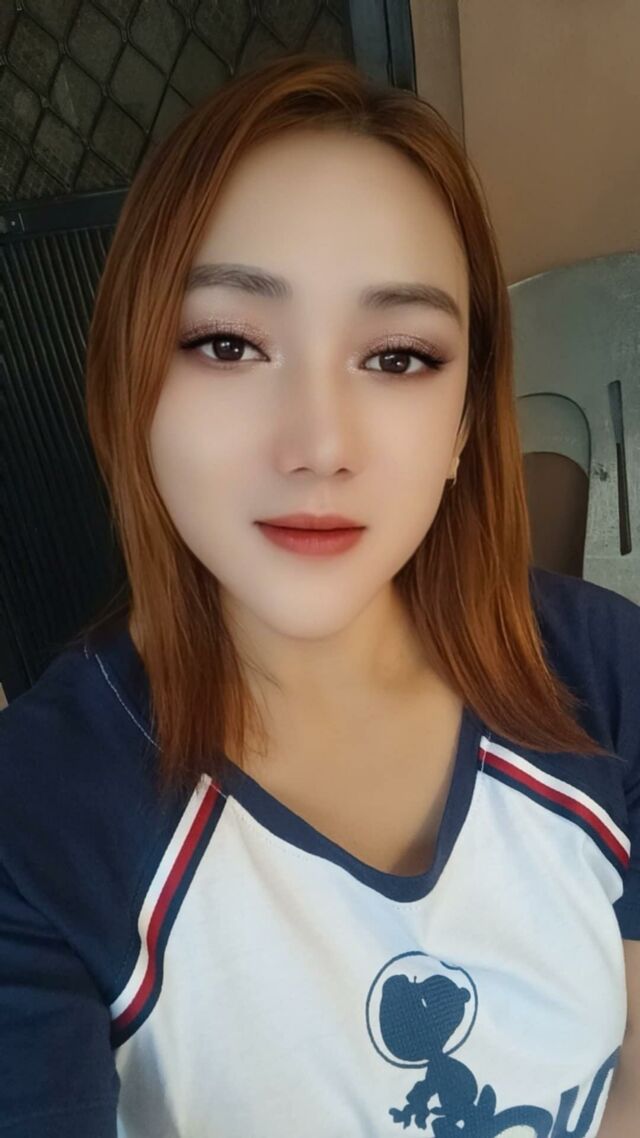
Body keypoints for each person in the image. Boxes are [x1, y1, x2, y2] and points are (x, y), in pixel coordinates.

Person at [0, 52, 638, 1138]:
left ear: (465, 422)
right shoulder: (37, 823)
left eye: (397, 357)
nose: (319, 444)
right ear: (129, 383)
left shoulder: (602, 671)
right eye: (229, 343)